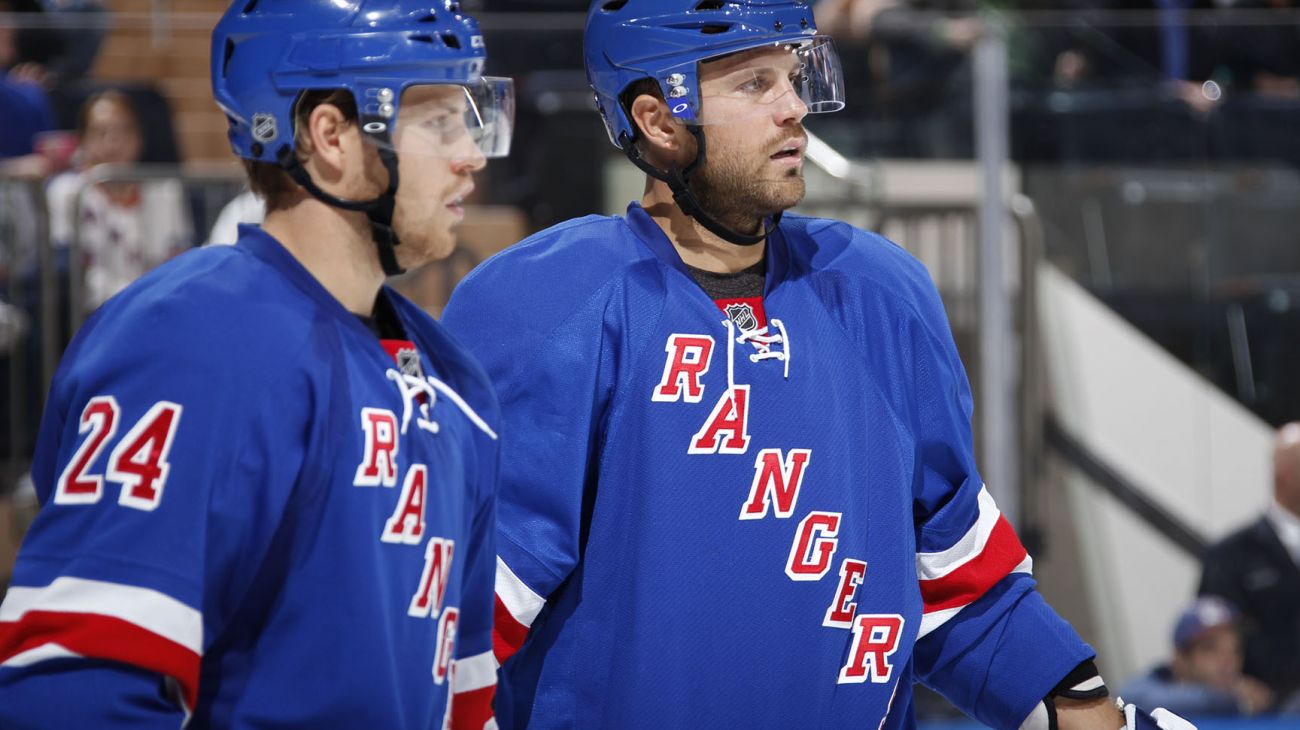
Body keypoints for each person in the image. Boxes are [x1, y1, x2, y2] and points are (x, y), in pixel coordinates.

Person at [442, 2, 1193, 728]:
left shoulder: (879, 289)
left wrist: (1090, 714)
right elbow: (457, 626)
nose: (794, 107)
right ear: (659, 121)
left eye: (793, 76)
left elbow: (960, 585)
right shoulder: (549, 302)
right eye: (754, 83)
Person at [0, 1, 514, 727]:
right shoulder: (190, 341)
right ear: (331, 135)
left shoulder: (455, 382)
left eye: (472, 116)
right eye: (439, 121)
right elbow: (74, 691)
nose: (472, 154)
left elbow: (464, 703)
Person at [45, 90, 191, 312]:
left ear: (139, 138)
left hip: (157, 308)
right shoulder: (67, 192)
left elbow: (178, 259)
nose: (113, 142)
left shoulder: (166, 191)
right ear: (81, 141)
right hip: (95, 312)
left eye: (124, 131)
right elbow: (72, 270)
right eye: (100, 132)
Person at [1199, 421, 1300, 710]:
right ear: (1285, 477)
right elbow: (1207, 634)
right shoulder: (1231, 555)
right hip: (1265, 714)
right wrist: (1234, 687)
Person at [1119, 596, 1273, 717]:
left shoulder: (1251, 696)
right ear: (1181, 658)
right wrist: (1229, 702)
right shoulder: (1153, 684)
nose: (1228, 661)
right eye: (1211, 649)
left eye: (1235, 650)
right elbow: (1131, 702)